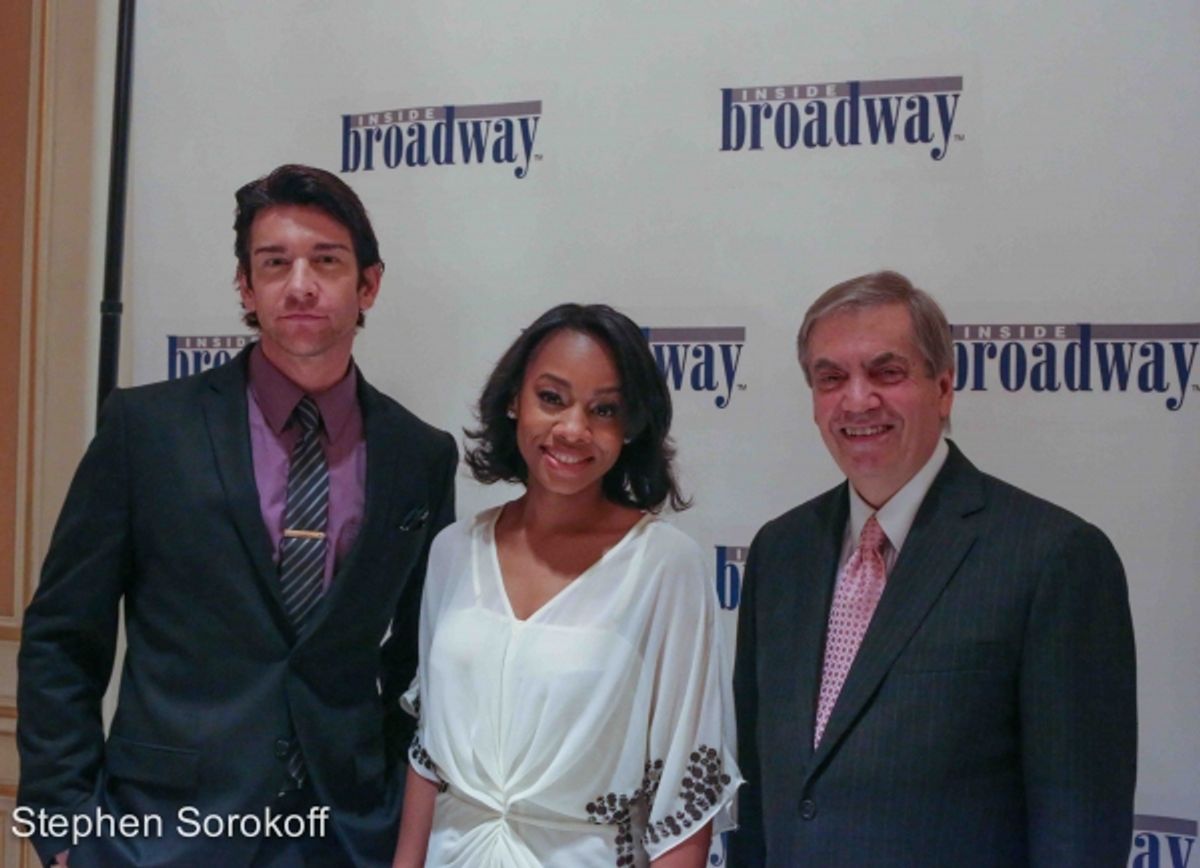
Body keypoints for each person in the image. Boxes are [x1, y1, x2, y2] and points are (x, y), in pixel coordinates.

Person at [17, 164, 457, 866]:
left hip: (341, 838)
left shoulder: (421, 455)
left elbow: (417, 666)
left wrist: (389, 825)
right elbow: (63, 638)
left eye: (327, 261)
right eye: (275, 263)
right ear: (246, 289)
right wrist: (65, 829)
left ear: (368, 284)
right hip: (157, 835)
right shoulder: (147, 430)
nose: (301, 284)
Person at [729, 271, 1137, 867]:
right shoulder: (780, 552)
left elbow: (1079, 827)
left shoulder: (1054, 557)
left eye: (886, 373)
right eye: (831, 378)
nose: (857, 399)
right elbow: (761, 792)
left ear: (944, 388)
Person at [392, 303, 741, 868]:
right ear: (513, 401)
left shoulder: (665, 566)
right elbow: (429, 755)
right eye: (551, 398)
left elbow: (686, 794)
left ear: (631, 428)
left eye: (604, 409)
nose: (574, 429)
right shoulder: (454, 551)